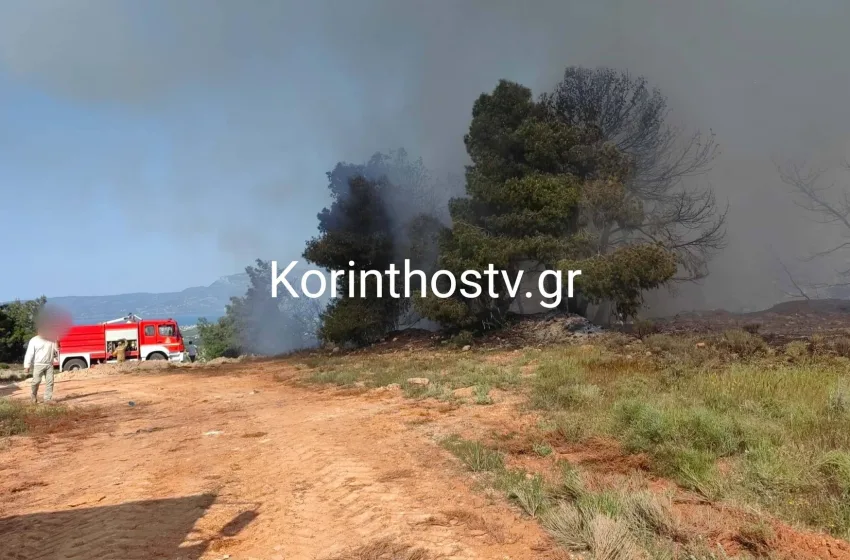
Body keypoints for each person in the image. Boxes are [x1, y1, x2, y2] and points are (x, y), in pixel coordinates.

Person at [24, 328, 59, 404]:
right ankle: (33, 396)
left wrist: (57, 341)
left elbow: (57, 349)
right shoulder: (34, 340)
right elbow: (29, 353)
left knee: (50, 382)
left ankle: (47, 399)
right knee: (36, 381)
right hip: (38, 364)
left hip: (49, 364)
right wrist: (27, 365)